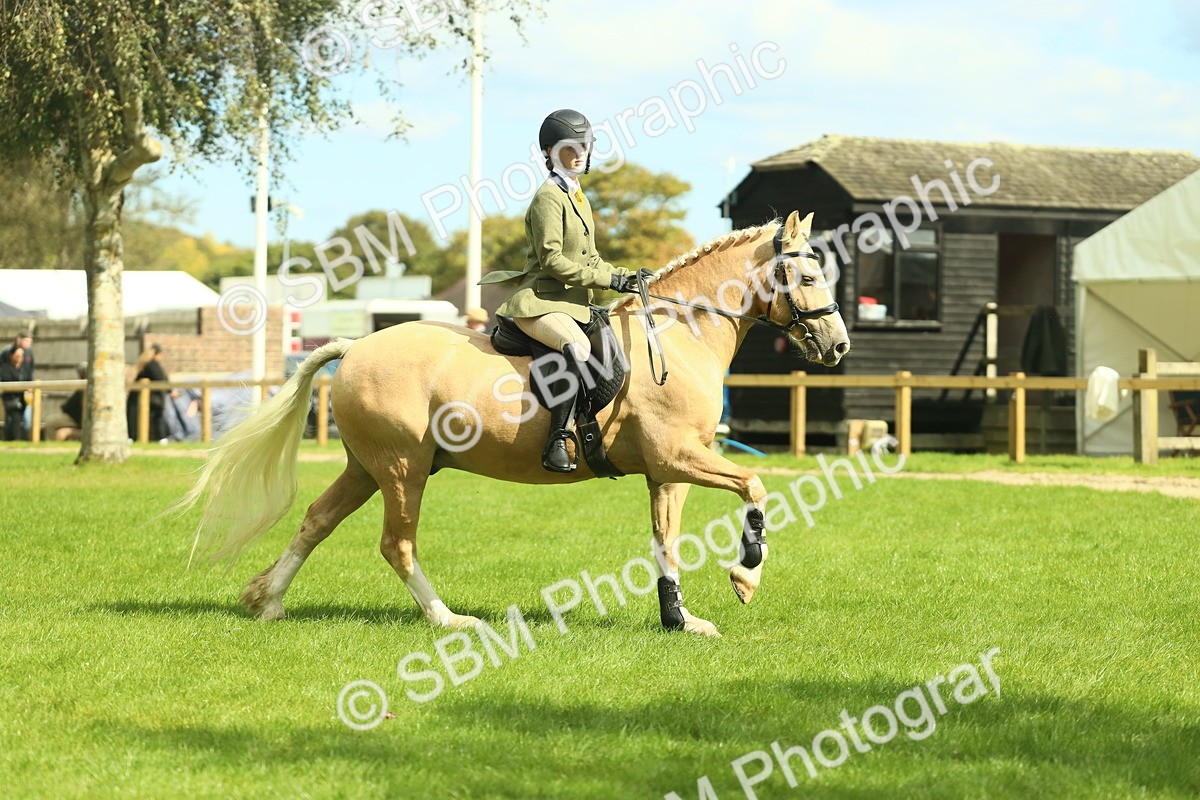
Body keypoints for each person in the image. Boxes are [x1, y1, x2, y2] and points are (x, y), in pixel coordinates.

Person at [481, 109, 644, 472]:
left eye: (585, 145)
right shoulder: (548, 198)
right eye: (571, 147)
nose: (580, 153)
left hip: (574, 305)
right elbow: (553, 260)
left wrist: (624, 276)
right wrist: (607, 282)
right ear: (549, 152)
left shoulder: (579, 196)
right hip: (539, 304)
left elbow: (592, 258)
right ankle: (557, 439)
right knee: (579, 347)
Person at [126, 344, 175, 443]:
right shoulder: (152, 364)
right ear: (157, 354)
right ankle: (160, 438)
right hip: (150, 397)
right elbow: (160, 378)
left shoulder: (146, 364)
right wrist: (170, 391)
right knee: (157, 416)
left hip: (139, 396)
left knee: (136, 418)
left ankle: (136, 437)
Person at [44, 363, 87, 442]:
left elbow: (70, 406)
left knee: (50, 422)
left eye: (81, 372)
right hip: (73, 417)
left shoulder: (84, 387)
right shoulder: (81, 387)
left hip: (76, 419)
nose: (79, 374)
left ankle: (51, 445)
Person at [1, 346, 27, 440]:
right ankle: (16, 439)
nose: (20, 358)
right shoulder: (5, 368)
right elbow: (7, 381)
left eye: (22, 356)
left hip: (22, 399)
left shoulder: (23, 369)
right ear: (11, 355)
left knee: (14, 420)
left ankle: (9, 438)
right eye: (17, 355)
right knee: (15, 418)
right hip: (10, 399)